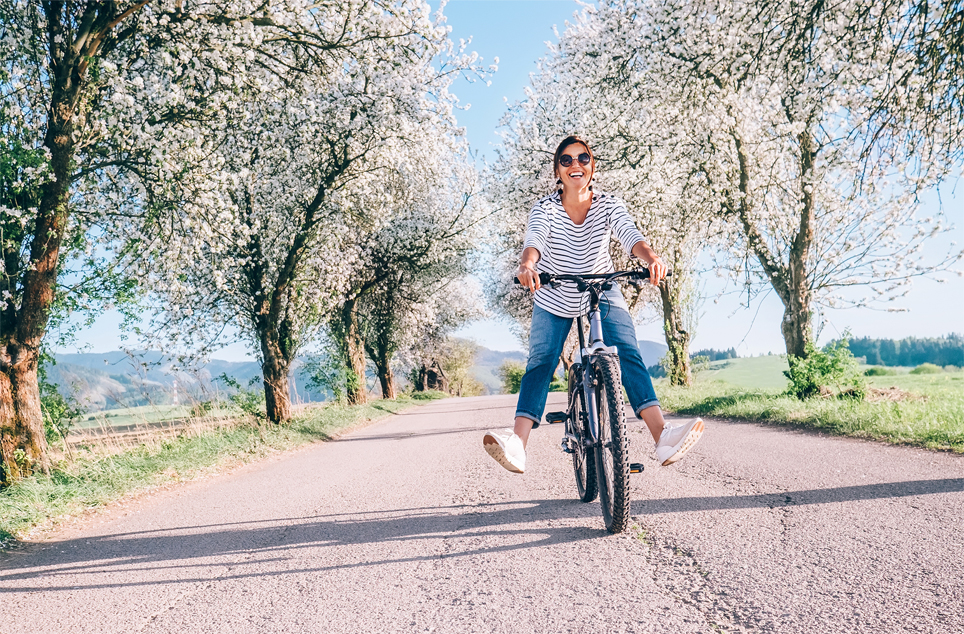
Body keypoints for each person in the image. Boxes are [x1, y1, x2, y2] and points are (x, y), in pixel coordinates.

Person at [483, 135, 704, 474]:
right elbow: (535, 242)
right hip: (554, 291)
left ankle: (663, 437)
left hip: (600, 289)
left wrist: (652, 258)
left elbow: (630, 236)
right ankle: (518, 444)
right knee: (541, 362)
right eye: (567, 160)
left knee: (626, 351)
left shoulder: (608, 204)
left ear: (592, 166)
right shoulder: (544, 209)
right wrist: (528, 266)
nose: (576, 165)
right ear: (558, 170)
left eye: (583, 158)